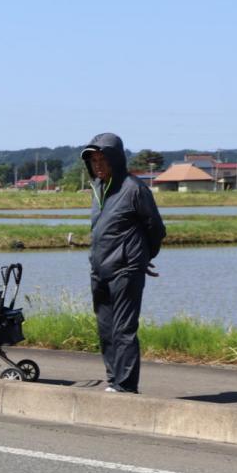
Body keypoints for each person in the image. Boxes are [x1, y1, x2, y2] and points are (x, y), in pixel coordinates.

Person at [83, 132, 166, 394]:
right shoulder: (98, 188)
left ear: (116, 159)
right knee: (106, 330)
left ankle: (126, 386)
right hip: (100, 269)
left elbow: (156, 229)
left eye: (102, 158)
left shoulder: (134, 189)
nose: (98, 164)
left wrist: (143, 257)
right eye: (93, 160)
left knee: (124, 329)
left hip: (126, 270)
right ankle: (114, 381)